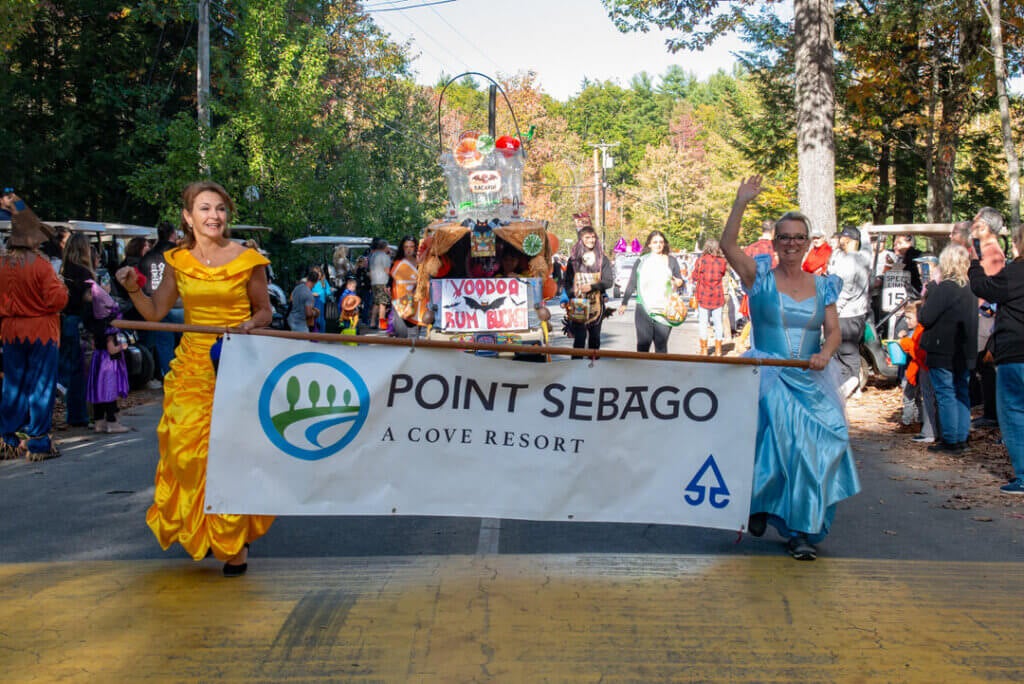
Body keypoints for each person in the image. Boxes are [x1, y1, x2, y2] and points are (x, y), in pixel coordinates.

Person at [115, 180, 274, 577]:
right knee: (187, 452)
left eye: (220, 208)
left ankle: (234, 542)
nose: (213, 216)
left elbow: (265, 312)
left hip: (236, 363)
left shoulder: (248, 260)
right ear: (188, 217)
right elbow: (154, 314)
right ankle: (204, 529)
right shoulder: (177, 261)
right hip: (190, 370)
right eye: (204, 209)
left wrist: (247, 324)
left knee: (231, 454)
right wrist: (134, 289)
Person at [720, 176, 860, 561]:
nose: (792, 243)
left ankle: (792, 519)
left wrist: (826, 354)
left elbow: (832, 332)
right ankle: (785, 523)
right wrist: (740, 202)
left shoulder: (823, 285)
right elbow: (727, 245)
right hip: (766, 374)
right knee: (786, 441)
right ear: (775, 242)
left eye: (799, 237)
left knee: (828, 439)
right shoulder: (759, 276)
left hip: (810, 375)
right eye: (785, 237)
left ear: (809, 241)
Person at [0, 192, 68, 461]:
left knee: (13, 385)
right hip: (40, 330)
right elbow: (57, 300)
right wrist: (63, 288)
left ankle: (8, 438)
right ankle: (38, 441)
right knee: (41, 385)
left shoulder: (2, 264)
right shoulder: (40, 265)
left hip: (11, 331)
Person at [968, 228, 1024, 493]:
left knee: (1013, 413)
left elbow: (983, 287)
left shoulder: (1016, 273)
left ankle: (1023, 476)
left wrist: (974, 263)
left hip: (1015, 352)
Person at [918, 244, 978, 454]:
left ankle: (951, 439)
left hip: (942, 348)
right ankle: (960, 438)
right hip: (964, 349)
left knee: (946, 393)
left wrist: (930, 292)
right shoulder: (970, 288)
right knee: (961, 392)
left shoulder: (945, 288)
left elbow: (925, 318)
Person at [617, 231, 684, 353]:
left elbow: (680, 281)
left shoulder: (671, 261)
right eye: (655, 242)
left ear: (664, 244)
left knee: (661, 345)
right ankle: (642, 371)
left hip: (665, 309)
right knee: (643, 344)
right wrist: (624, 302)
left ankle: (659, 371)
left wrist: (678, 282)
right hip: (644, 307)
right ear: (649, 244)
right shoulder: (642, 261)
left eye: (661, 242)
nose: (658, 245)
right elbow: (632, 282)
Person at [970, 207, 1007, 430]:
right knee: (980, 366)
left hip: (985, 317)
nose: (972, 227)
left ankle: (991, 413)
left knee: (985, 364)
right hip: (978, 315)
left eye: (975, 223)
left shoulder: (992, 253)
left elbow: (993, 289)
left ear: (983, 226)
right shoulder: (984, 250)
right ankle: (987, 409)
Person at [828, 226, 872, 398]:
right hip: (859, 313)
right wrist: (866, 232)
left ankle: (851, 384)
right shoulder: (864, 257)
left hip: (847, 314)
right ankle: (852, 383)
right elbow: (868, 248)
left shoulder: (849, 261)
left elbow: (846, 290)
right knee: (849, 350)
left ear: (847, 240)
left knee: (846, 352)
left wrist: (834, 311)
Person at [137, 221, 182, 387]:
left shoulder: (148, 257)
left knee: (164, 345)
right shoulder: (178, 254)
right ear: (173, 234)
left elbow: (142, 281)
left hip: (156, 305)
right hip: (179, 305)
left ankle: (170, 379)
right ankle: (184, 379)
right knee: (186, 342)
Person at [58, 232, 95, 428]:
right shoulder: (83, 273)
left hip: (66, 320)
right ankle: (79, 415)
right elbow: (90, 298)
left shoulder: (64, 271)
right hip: (80, 322)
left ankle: (74, 413)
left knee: (72, 367)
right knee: (80, 370)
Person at [85, 280, 131, 434]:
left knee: (98, 393)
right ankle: (112, 422)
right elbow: (111, 350)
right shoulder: (109, 330)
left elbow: (93, 344)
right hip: (108, 363)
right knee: (109, 392)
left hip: (97, 360)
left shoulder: (94, 326)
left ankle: (99, 422)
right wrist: (123, 346)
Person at [562, 225, 613, 352]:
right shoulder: (573, 260)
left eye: (593, 237)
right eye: (587, 237)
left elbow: (609, 282)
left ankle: (593, 367)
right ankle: (577, 366)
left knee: (594, 338)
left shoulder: (602, 259)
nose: (591, 240)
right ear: (581, 239)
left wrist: (592, 287)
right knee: (579, 338)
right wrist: (571, 295)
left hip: (596, 304)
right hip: (578, 304)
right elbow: (567, 282)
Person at [691, 239, 729, 356]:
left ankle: (704, 349)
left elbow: (694, 277)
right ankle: (718, 349)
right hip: (717, 295)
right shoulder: (722, 261)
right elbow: (722, 274)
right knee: (718, 323)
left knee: (703, 323)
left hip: (703, 295)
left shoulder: (701, 260)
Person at [390, 235, 424, 338]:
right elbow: (391, 278)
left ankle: (414, 347)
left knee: (415, 326)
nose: (409, 249)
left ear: (415, 247)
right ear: (402, 248)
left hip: (417, 297)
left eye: (411, 246)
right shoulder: (398, 262)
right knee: (402, 330)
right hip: (401, 297)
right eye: (406, 247)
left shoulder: (420, 261)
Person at [368, 237, 392, 330]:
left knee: (376, 303)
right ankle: (381, 324)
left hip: (374, 281)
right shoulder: (384, 257)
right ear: (385, 247)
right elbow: (387, 270)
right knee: (383, 303)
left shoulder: (373, 256)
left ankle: (372, 322)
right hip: (383, 281)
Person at [310, 265, 331, 333]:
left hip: (321, 302)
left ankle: (322, 333)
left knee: (321, 318)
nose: (318, 274)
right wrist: (312, 293)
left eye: (319, 272)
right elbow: (307, 290)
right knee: (315, 318)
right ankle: (315, 333)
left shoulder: (324, 281)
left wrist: (327, 292)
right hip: (314, 301)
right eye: (315, 273)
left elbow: (328, 291)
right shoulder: (311, 281)